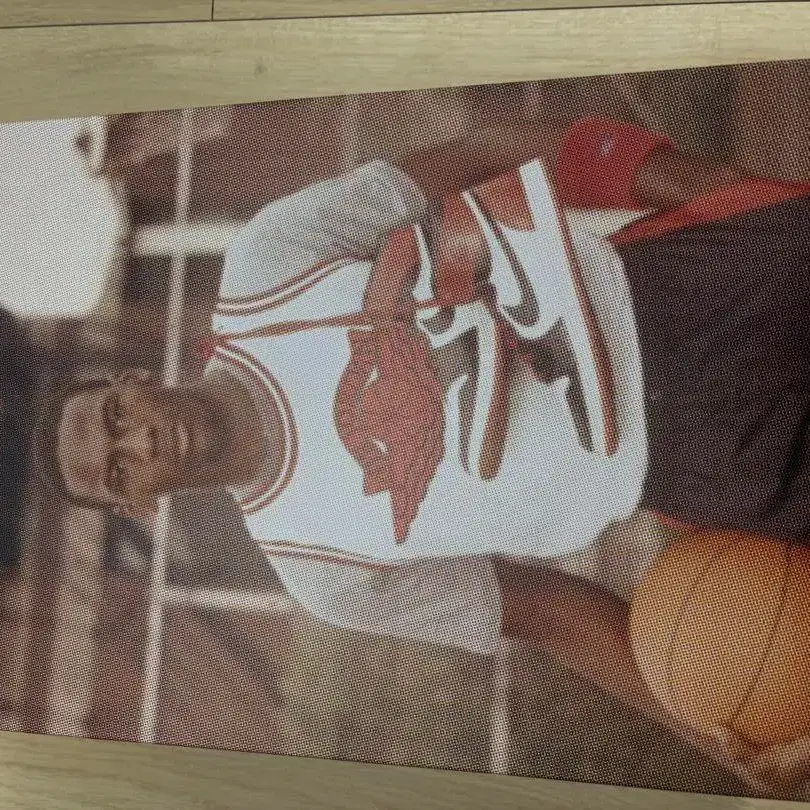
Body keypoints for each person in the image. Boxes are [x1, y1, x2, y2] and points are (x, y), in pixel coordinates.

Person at [36, 114, 810, 790]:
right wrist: (724, 744)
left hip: (685, 283)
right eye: (119, 467)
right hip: (710, 465)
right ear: (136, 503)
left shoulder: (268, 262)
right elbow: (550, 613)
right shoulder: (322, 572)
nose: (139, 440)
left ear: (133, 381)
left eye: (116, 416)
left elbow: (486, 150)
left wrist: (697, 180)